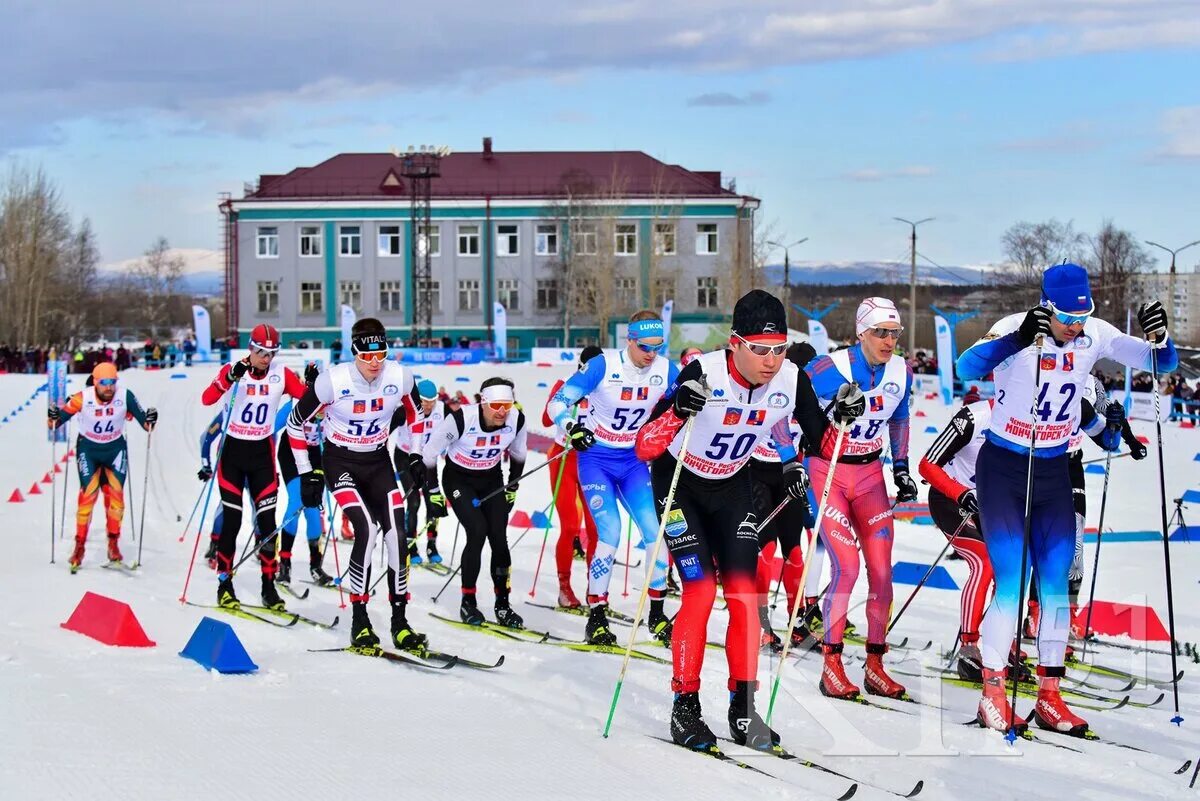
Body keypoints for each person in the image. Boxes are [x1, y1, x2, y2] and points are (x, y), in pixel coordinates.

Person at [957, 263, 1175, 736]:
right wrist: (1014, 342)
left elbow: (1161, 364)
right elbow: (965, 367)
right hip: (1006, 468)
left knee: (1055, 589)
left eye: (1083, 316)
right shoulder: (1015, 328)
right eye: (1067, 319)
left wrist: (1161, 339)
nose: (1076, 327)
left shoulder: (1092, 332)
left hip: (1055, 468)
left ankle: (1049, 696)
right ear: (1046, 307)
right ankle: (992, 695)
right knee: (1013, 586)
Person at [635, 289, 842, 752]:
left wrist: (841, 418)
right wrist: (680, 412)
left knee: (747, 598)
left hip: (732, 486)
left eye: (779, 349)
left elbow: (824, 442)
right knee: (701, 590)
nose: (771, 361)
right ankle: (685, 706)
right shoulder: (704, 372)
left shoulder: (791, 379)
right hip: (679, 485)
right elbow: (646, 446)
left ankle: (742, 707)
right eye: (760, 349)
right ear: (735, 343)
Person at [286, 318, 426, 652]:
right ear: (354, 352)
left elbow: (418, 417)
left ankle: (400, 621)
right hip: (340, 462)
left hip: (378, 462)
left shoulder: (400, 376)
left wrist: (417, 456)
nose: (375, 363)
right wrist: (307, 472)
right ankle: (359, 620)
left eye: (381, 355)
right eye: (367, 356)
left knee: (398, 534)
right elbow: (295, 423)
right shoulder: (331, 382)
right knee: (365, 529)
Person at [803, 297, 916, 700]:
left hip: (870, 475)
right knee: (846, 568)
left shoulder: (902, 370)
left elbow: (900, 418)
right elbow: (790, 399)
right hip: (828, 472)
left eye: (894, 333)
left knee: (882, 574)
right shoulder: (827, 366)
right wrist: (789, 460)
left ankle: (874, 665)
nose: (888, 341)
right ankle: (831, 665)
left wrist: (901, 468)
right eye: (880, 332)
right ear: (860, 332)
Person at [546, 310, 677, 646]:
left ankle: (657, 615)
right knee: (610, 534)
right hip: (596, 460)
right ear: (629, 340)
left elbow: (683, 398)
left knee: (656, 535)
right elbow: (557, 403)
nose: (651, 354)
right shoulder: (603, 365)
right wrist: (572, 429)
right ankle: (597, 616)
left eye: (658, 346)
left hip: (633, 461)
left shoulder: (664, 369)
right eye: (645, 346)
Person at [200, 324, 306, 611]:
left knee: (268, 525)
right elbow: (207, 398)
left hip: (262, 455)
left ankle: (268, 587)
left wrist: (314, 385)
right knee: (232, 522)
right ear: (251, 348)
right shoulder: (233, 370)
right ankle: (225, 584)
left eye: (271, 353)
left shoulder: (281, 374)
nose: (265, 358)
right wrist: (227, 379)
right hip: (233, 455)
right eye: (260, 352)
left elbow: (307, 399)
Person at [420, 377, 529, 627]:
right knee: (477, 531)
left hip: (491, 479)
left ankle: (503, 605)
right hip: (459, 480)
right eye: (496, 405)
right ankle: (468, 602)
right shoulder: (460, 419)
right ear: (483, 403)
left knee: (499, 539)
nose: (502, 411)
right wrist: (434, 491)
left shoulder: (516, 420)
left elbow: (519, 454)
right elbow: (429, 453)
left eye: (507, 404)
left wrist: (512, 487)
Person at [48, 362, 157, 571]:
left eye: (112, 382)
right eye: (104, 383)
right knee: (88, 496)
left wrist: (152, 418)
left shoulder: (125, 396)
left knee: (117, 500)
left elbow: (146, 424)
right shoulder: (82, 398)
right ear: (96, 382)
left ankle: (113, 544)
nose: (109, 387)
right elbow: (55, 422)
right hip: (89, 450)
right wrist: (53, 416)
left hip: (115, 450)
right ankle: (79, 545)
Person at [751, 342, 818, 651]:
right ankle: (761, 624)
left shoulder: (810, 397)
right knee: (764, 550)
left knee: (794, 552)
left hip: (790, 479)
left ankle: (796, 621)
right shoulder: (771, 389)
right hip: (758, 474)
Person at [541, 345, 603, 608]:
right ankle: (564, 588)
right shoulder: (566, 383)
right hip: (563, 458)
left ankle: (595, 589)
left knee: (597, 529)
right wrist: (569, 400)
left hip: (593, 461)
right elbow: (545, 420)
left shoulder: (608, 386)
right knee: (569, 526)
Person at [275, 370, 334, 586]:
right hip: (290, 454)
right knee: (296, 500)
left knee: (313, 508)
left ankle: (315, 566)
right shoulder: (293, 403)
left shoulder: (329, 406)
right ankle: (284, 564)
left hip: (313, 455)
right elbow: (271, 429)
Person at [393, 379, 448, 565]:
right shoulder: (404, 410)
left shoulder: (442, 410)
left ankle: (432, 546)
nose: (428, 405)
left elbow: (458, 430)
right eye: (424, 400)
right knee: (414, 501)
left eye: (432, 401)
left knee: (433, 501)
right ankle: (411, 545)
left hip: (427, 460)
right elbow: (384, 431)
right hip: (404, 458)